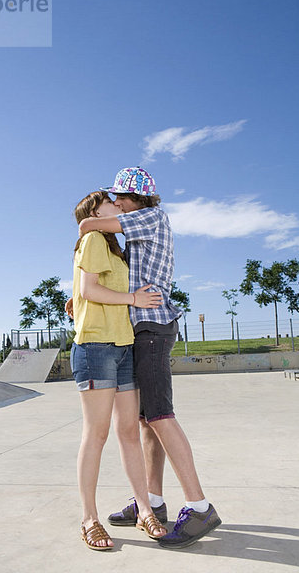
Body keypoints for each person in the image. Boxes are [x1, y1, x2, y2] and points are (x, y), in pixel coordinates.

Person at [78, 167, 221, 549]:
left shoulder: (151, 216)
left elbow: (89, 223)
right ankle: (152, 503)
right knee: (145, 422)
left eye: (121, 197)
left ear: (137, 199)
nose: (117, 203)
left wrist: (97, 219)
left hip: (153, 326)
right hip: (138, 330)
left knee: (159, 414)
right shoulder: (132, 234)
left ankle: (199, 505)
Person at [70, 190, 167, 551]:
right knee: (96, 435)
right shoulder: (94, 237)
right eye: (110, 203)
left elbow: (88, 290)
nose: (118, 205)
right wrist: (133, 299)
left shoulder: (113, 248)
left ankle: (144, 510)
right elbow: (89, 288)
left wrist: (78, 299)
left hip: (123, 346)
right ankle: (89, 519)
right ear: (95, 212)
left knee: (128, 431)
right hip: (96, 347)